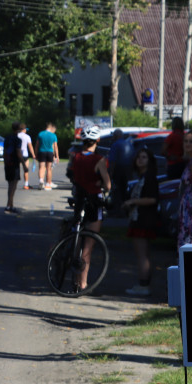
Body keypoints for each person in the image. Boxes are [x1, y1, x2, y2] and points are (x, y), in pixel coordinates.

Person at [67, 125, 111, 291]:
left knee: (77, 239)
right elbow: (108, 185)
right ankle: (83, 283)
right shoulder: (99, 160)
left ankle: (75, 279)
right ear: (97, 140)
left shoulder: (75, 157)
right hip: (94, 201)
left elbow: (74, 178)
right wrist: (99, 182)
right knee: (88, 245)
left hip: (79, 200)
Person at [122, 148, 160, 296]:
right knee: (142, 254)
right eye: (138, 157)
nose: (140, 160)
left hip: (143, 219)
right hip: (139, 217)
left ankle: (144, 285)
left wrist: (132, 201)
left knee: (142, 254)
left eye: (144, 157)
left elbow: (152, 199)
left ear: (149, 161)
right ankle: (143, 282)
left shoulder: (150, 177)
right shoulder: (142, 176)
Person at [107, 129, 135, 211]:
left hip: (119, 170)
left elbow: (112, 161)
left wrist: (110, 173)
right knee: (127, 190)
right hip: (129, 170)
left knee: (117, 190)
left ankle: (118, 210)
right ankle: (127, 208)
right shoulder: (129, 144)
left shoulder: (115, 145)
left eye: (113, 135)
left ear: (116, 136)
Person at [2, 122, 23, 214]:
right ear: (19, 129)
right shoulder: (18, 140)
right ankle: (8, 205)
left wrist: (5, 162)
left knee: (10, 185)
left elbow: (4, 151)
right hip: (14, 164)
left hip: (7, 163)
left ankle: (10, 204)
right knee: (13, 185)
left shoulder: (7, 138)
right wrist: (25, 165)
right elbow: (18, 153)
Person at [35, 122, 59, 190]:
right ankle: (48, 184)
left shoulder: (40, 134)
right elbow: (55, 146)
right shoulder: (53, 135)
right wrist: (56, 156)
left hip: (42, 152)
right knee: (49, 168)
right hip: (50, 152)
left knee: (41, 167)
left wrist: (35, 154)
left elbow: (37, 145)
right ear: (50, 127)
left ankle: (41, 180)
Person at [18, 123, 35, 190]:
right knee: (26, 170)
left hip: (17, 154)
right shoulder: (27, 137)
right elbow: (30, 147)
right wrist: (33, 154)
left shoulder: (16, 136)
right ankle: (26, 184)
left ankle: (13, 182)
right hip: (25, 155)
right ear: (24, 129)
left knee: (16, 169)